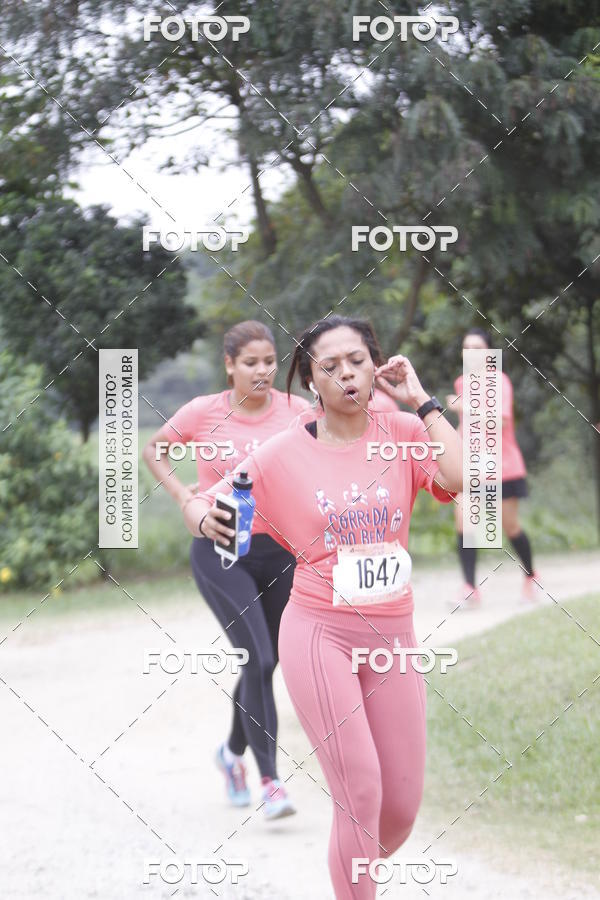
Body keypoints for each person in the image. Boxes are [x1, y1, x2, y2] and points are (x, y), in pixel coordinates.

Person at [184, 315, 462, 899]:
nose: (345, 375)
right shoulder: (282, 452)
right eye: (328, 367)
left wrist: (424, 400)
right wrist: (204, 517)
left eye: (356, 361)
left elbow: (462, 479)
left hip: (393, 637)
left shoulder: (404, 430)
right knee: (360, 793)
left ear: (376, 363)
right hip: (319, 635)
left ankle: (353, 863)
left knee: (399, 809)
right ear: (311, 381)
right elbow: (209, 500)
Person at [142, 320, 309, 819]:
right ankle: (271, 781)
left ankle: (229, 753)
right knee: (257, 659)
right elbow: (155, 451)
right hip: (222, 552)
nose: (262, 371)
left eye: (268, 361)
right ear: (230, 365)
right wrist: (188, 501)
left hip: (280, 553)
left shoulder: (297, 412)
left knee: (269, 659)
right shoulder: (204, 412)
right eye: (250, 363)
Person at [446, 327, 539, 606]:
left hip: (503, 466)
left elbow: (501, 422)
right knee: (465, 521)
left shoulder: (501, 382)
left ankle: (531, 576)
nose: (471, 353)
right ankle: (469, 587)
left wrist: (464, 408)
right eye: (467, 347)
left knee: (509, 526)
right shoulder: (462, 383)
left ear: (489, 354)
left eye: (477, 348)